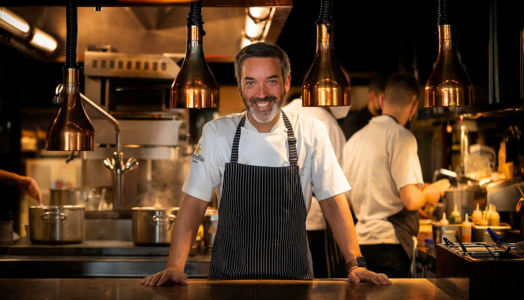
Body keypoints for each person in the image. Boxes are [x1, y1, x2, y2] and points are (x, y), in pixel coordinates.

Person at [141, 42, 391, 286]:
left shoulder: (311, 132)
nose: (261, 94)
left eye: (271, 81)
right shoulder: (217, 133)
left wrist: (355, 264)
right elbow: (194, 203)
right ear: (240, 86)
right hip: (228, 282)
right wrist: (175, 266)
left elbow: (333, 200)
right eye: (250, 82)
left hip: (294, 281)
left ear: (286, 83)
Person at [342, 74, 442, 278]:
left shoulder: (354, 141)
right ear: (413, 106)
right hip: (389, 245)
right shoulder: (402, 136)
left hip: (360, 243)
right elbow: (411, 200)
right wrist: (431, 193)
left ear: (381, 101)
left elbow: (347, 201)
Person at [282, 97, 348, 278]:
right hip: (316, 221)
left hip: (280, 223)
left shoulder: (282, 113)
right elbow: (336, 187)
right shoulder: (329, 124)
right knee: (319, 284)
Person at [339, 73, 390, 140]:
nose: (388, 104)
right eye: (383, 99)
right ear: (372, 96)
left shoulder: (389, 124)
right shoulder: (354, 124)